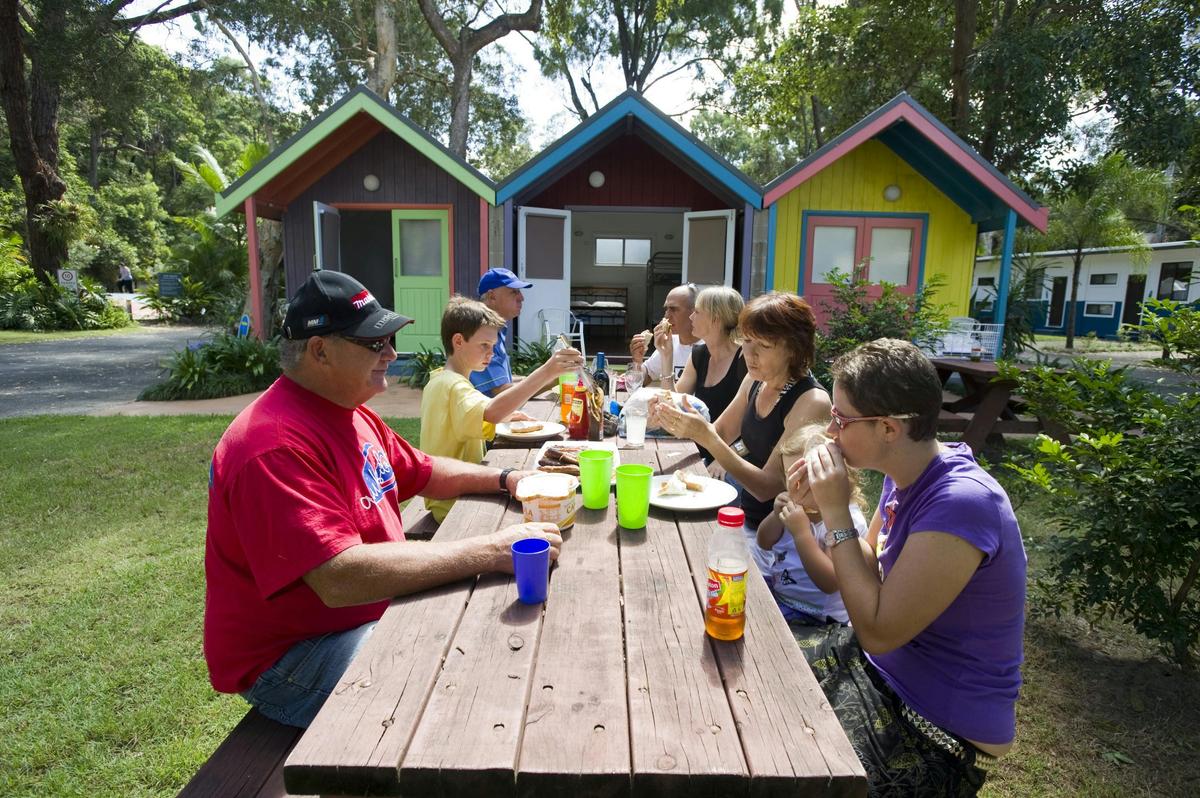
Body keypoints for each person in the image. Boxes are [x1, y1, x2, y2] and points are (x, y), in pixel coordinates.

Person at [204, 270, 563, 729]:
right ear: (320, 351)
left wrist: (507, 478)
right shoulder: (272, 445)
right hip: (295, 657)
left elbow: (425, 470)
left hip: (359, 614)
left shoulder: (348, 412)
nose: (392, 354)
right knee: (460, 682)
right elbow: (339, 578)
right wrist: (490, 550)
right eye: (376, 343)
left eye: (390, 340)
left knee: (482, 637)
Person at [795, 338, 1025, 795]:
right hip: (885, 673)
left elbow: (878, 629)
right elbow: (867, 565)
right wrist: (822, 512)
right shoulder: (907, 474)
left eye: (841, 420)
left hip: (936, 724)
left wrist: (838, 513)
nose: (830, 434)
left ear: (887, 428)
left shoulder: (961, 503)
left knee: (793, 768)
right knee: (763, 668)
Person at [650, 292, 831, 544]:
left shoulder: (811, 402)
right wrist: (675, 420)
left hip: (783, 538)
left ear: (794, 348)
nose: (750, 353)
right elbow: (721, 431)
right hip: (738, 513)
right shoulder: (756, 379)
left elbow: (768, 487)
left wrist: (707, 437)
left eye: (764, 345)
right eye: (747, 340)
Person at [421, 296, 583, 522]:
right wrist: (547, 371)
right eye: (484, 345)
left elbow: (474, 418)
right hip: (455, 503)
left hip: (450, 493)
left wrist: (502, 417)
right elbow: (492, 411)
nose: (491, 353)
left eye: (493, 346)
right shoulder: (453, 385)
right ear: (458, 341)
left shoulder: (441, 379)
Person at [752, 423, 868, 627]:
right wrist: (775, 514)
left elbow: (831, 582)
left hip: (818, 617)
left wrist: (802, 534)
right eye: (791, 476)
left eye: (806, 477)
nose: (797, 487)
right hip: (781, 596)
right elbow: (764, 542)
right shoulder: (794, 506)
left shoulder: (846, 519)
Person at [668, 285, 746, 463]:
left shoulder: (745, 360)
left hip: (731, 460)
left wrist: (724, 461)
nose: (691, 317)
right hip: (698, 451)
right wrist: (666, 356)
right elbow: (674, 403)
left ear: (715, 320)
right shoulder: (699, 354)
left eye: (697, 312)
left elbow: (754, 430)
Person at [471, 267, 531, 396]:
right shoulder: (479, 333)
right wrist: (550, 377)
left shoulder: (495, 329)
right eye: (514, 292)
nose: (522, 298)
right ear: (492, 296)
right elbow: (502, 391)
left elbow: (504, 380)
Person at [629, 283, 698, 385]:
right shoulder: (669, 342)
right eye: (667, 309)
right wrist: (638, 361)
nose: (667, 315)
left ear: (694, 312)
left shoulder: (709, 346)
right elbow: (647, 375)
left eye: (674, 309)